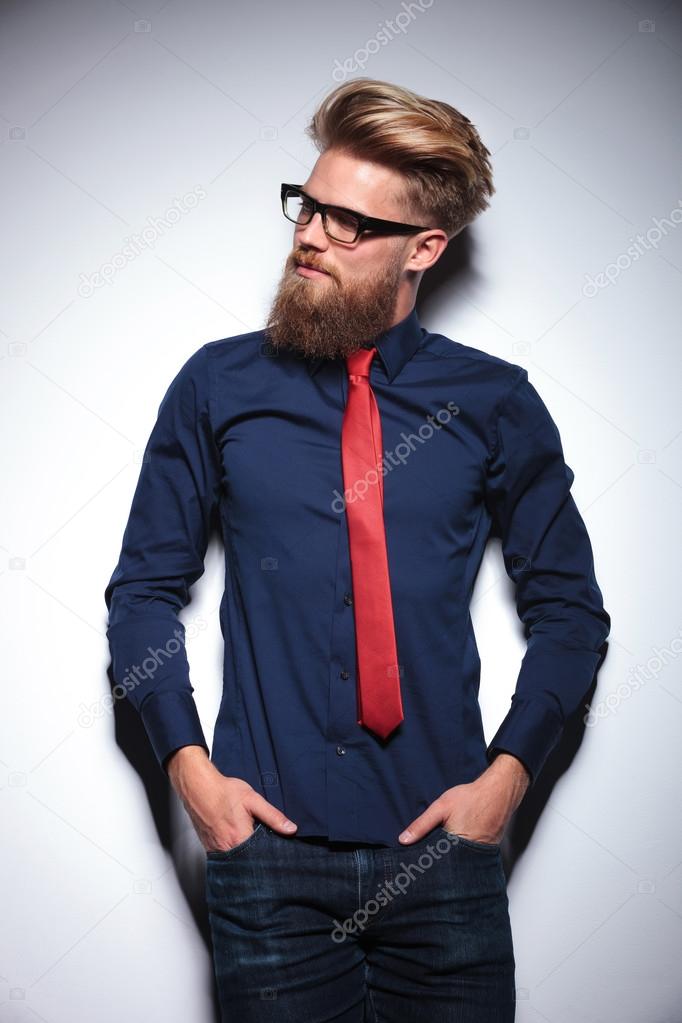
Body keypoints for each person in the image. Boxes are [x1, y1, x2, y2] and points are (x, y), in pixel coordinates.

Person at [104, 77, 610, 1022]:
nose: (308, 236)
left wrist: (506, 779)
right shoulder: (216, 385)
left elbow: (572, 613)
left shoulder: (494, 402)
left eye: (349, 224)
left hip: (445, 850)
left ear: (424, 248)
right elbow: (141, 592)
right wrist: (188, 768)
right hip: (266, 853)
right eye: (308, 206)